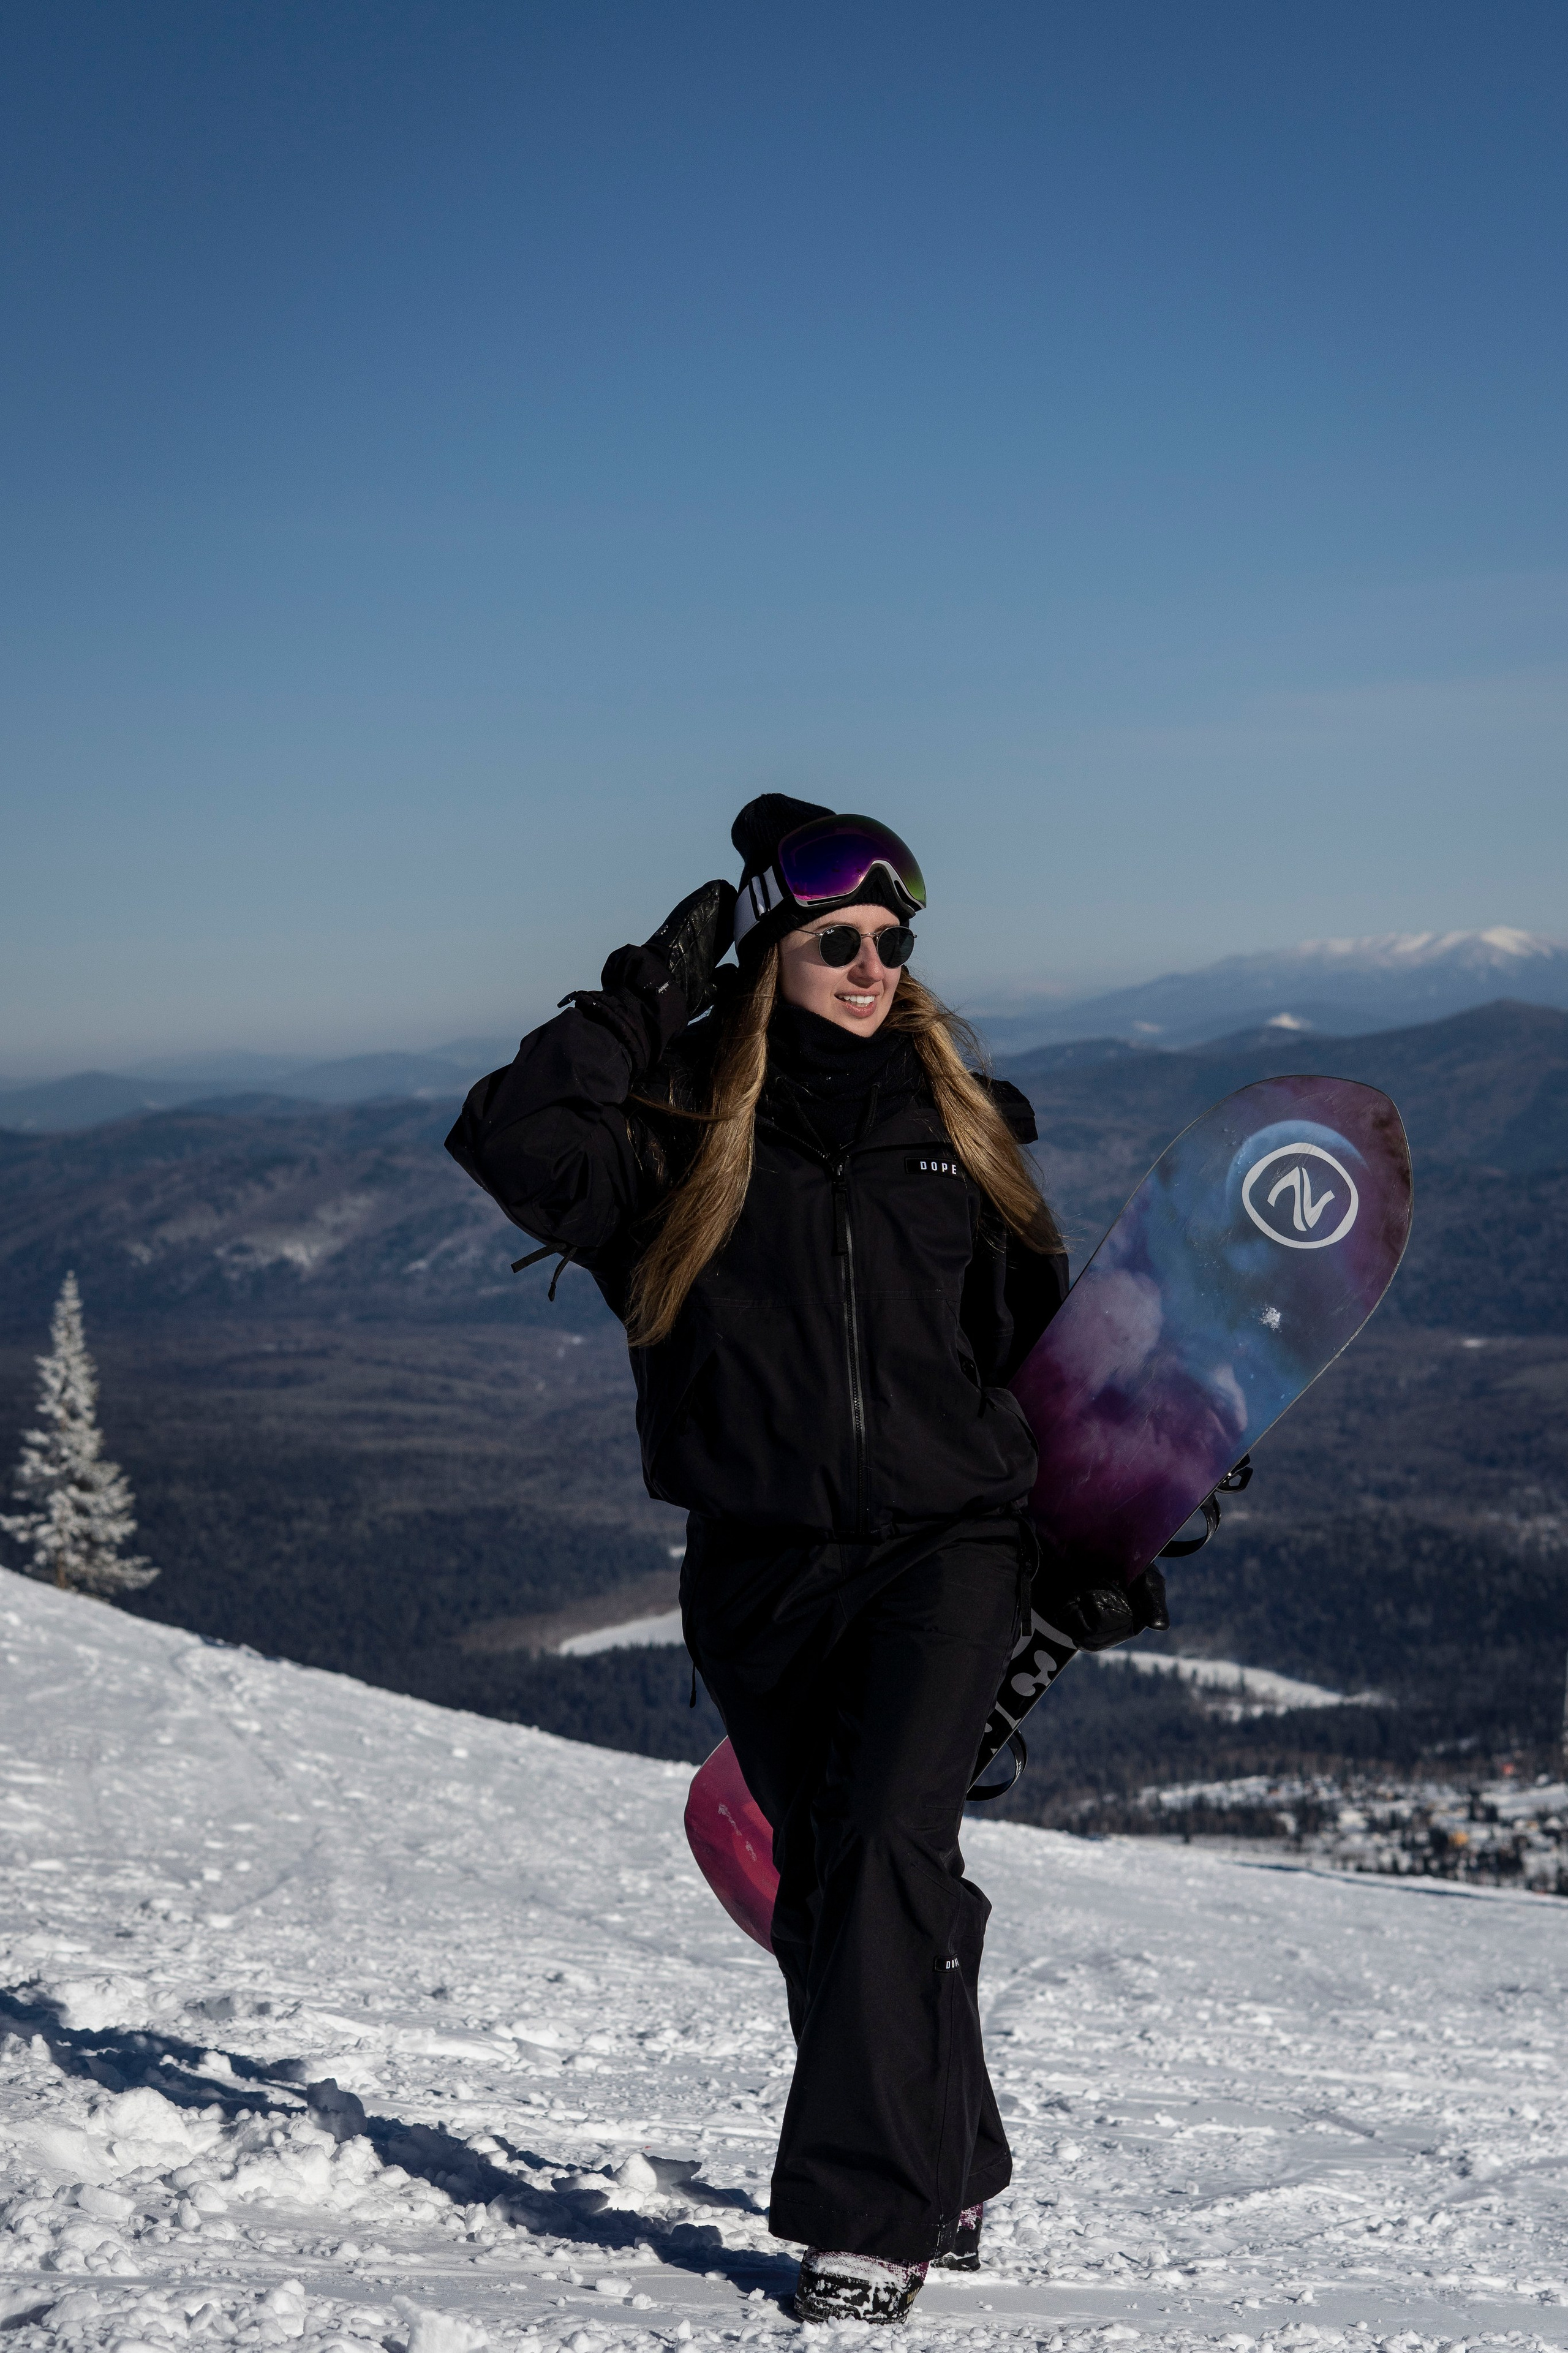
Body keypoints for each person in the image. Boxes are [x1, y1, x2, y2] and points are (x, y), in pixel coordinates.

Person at [446, 796, 1069, 2324]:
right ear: (768, 945)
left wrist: (1112, 1514)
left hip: (948, 1549)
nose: (871, 966)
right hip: (758, 1565)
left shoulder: (962, 1119)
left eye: (890, 944)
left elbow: (1035, 1353)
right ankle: (949, 2154)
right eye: (835, 940)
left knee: (876, 1852)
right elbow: (508, 1138)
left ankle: (867, 2221)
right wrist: (641, 989)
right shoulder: (674, 1128)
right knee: (835, 1891)